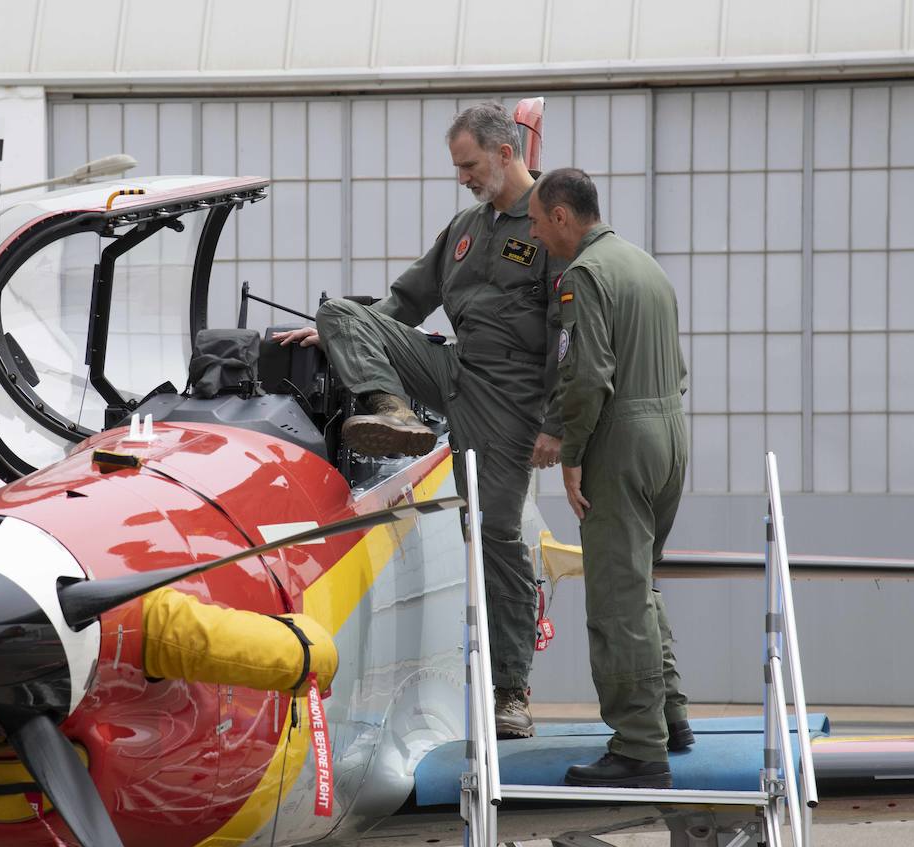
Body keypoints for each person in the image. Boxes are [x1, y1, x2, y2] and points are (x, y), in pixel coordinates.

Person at [274, 102, 564, 739]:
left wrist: (558, 423)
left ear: (506, 152)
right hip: (453, 372)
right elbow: (404, 302)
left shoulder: (551, 222)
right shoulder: (465, 226)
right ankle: (392, 411)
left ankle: (510, 692)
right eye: (457, 166)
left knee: (494, 536)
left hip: (509, 400)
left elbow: (575, 331)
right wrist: (339, 336)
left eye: (469, 165)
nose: (461, 176)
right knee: (340, 311)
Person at [526, 167, 692, 789]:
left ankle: (638, 749)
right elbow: (676, 365)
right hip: (670, 433)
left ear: (563, 216)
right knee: (641, 583)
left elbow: (588, 374)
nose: (537, 236)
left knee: (617, 600)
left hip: (621, 441)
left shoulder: (584, 277)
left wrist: (571, 453)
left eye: (539, 223)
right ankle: (671, 718)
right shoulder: (646, 266)